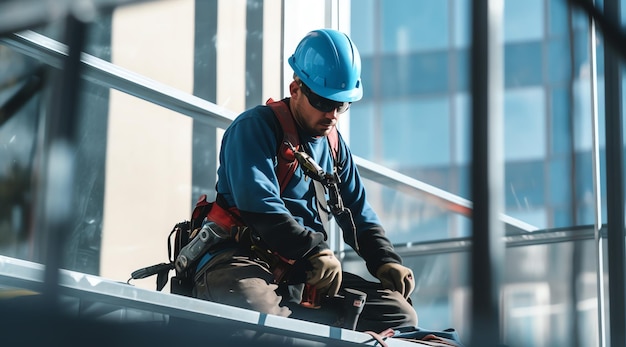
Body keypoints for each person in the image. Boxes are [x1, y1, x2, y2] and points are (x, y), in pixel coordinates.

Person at [192, 28, 417, 333]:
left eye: (342, 105)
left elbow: (359, 214)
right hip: (238, 261)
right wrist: (313, 251)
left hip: (300, 272)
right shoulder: (256, 127)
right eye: (324, 103)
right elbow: (259, 205)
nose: (333, 115)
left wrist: (385, 260)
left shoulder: (334, 146)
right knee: (259, 318)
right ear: (295, 88)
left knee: (398, 315)